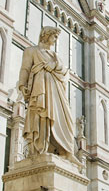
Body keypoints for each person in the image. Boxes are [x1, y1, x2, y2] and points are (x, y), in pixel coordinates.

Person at [19, 26, 78, 164]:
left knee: (67, 119)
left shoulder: (56, 57)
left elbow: (65, 74)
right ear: (45, 35)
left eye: (57, 37)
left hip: (56, 92)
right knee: (42, 116)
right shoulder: (32, 51)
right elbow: (25, 69)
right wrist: (22, 85)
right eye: (54, 36)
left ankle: (66, 151)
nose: (56, 40)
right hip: (41, 88)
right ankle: (40, 149)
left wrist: (55, 66)